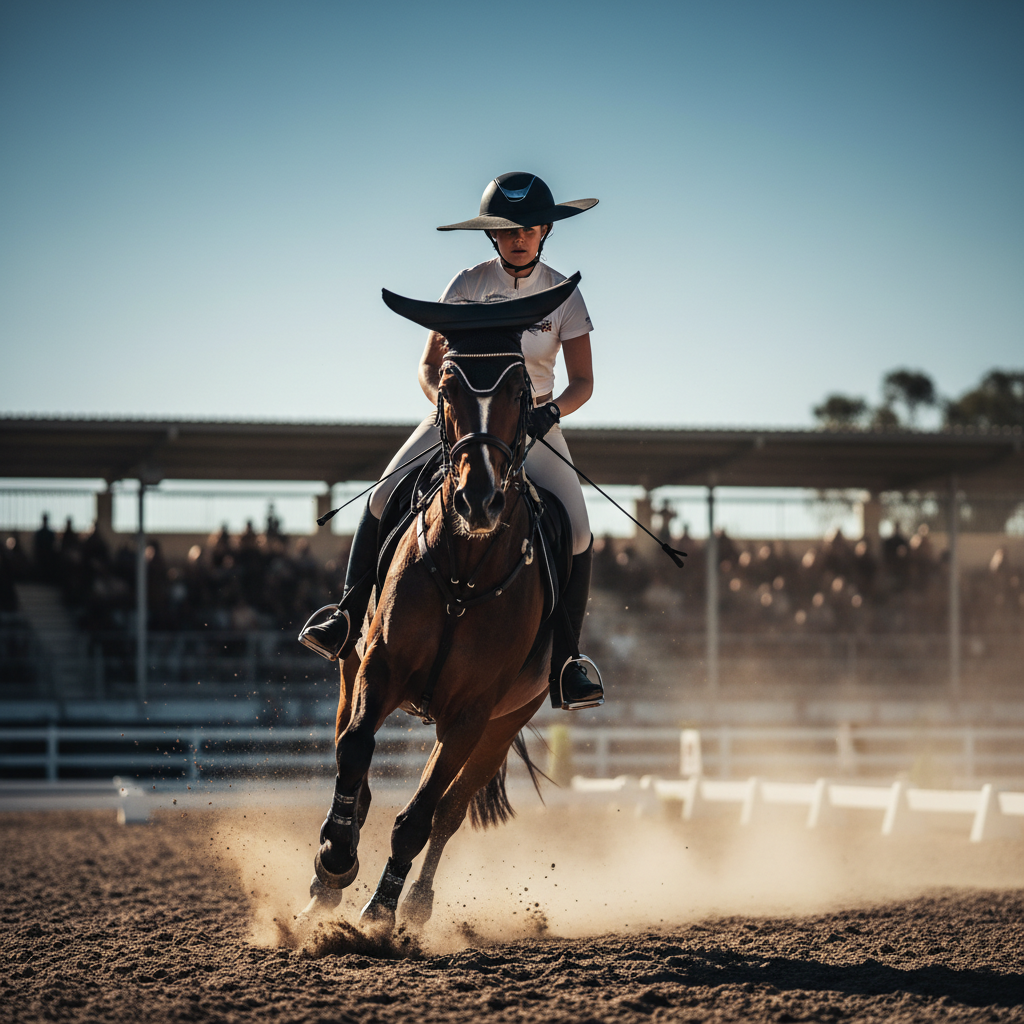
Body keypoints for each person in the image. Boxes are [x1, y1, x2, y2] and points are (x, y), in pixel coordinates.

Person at [300, 171, 604, 710]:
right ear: (493, 235)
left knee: (578, 530)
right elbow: (428, 366)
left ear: (544, 231)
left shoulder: (564, 294)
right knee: (379, 496)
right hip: (462, 423)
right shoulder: (465, 285)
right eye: (508, 229)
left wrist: (549, 412)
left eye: (529, 228)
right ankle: (346, 614)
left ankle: (567, 662)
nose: (518, 238)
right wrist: (444, 406)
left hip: (533, 425)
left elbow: (584, 381)